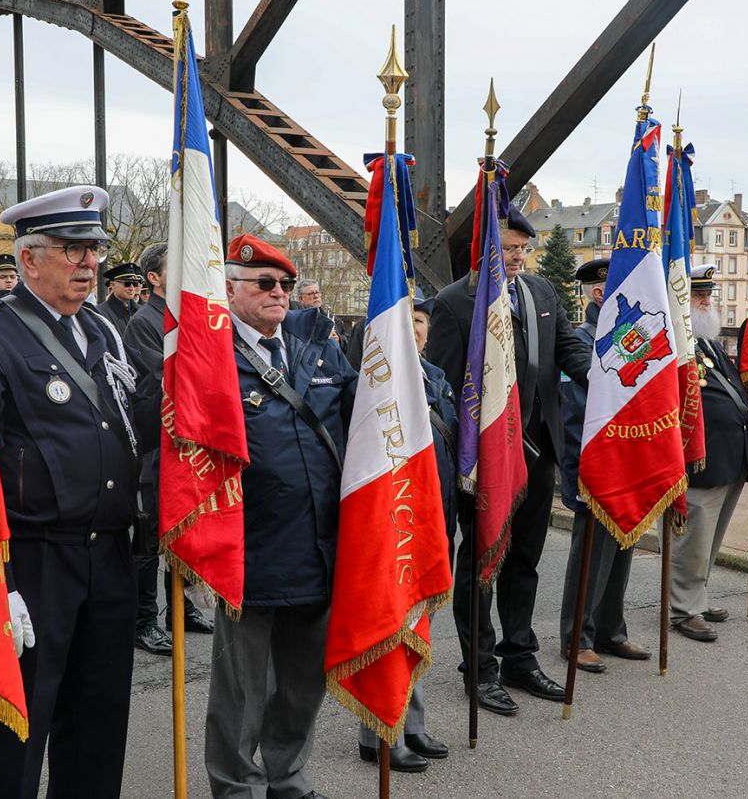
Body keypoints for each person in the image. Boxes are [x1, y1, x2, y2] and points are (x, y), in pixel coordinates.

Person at [0, 185, 147, 799]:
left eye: (95, 250)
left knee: (100, 721)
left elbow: (128, 423)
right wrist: (4, 577)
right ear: (28, 259)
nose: (90, 264)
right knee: (23, 723)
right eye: (73, 250)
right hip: (38, 557)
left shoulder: (103, 330)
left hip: (107, 552)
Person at [204, 234, 354, 799]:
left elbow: (357, 414)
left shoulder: (314, 344)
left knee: (301, 684)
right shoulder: (211, 358)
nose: (279, 294)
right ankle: (236, 786)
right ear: (231, 290)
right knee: (241, 691)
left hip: (318, 545)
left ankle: (287, 778)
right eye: (265, 284)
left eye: (285, 285)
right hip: (247, 548)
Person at [425, 206, 575, 715]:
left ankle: (519, 655)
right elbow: (443, 387)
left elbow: (567, 350)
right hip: (485, 457)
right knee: (481, 561)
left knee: (525, 560)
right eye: (506, 248)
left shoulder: (540, 292)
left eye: (521, 249)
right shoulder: (454, 303)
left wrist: (619, 378)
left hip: (537, 450)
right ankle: (480, 666)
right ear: (486, 247)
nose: (515, 258)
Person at [354, 296, 455, 773]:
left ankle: (410, 723)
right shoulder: (370, 381)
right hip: (391, 523)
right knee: (388, 626)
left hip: (431, 522)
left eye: (418, 320)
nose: (411, 328)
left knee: (418, 624)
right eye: (404, 319)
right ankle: (379, 729)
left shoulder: (436, 378)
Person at [558, 258, 651, 674]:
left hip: (630, 460)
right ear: (600, 294)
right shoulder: (582, 342)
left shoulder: (634, 339)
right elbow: (576, 414)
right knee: (592, 554)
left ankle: (612, 631)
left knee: (622, 548)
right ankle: (577, 638)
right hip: (597, 461)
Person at [121, 243, 214, 658]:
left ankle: (185, 607)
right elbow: (169, 374)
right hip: (155, 444)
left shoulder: (187, 316)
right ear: (154, 279)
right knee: (152, 537)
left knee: (185, 530)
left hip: (189, 441)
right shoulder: (144, 321)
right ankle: (144, 619)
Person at [664, 265, 748, 642]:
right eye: (698, 297)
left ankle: (697, 597)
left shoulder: (709, 344)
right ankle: (684, 609)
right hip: (697, 458)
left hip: (729, 454)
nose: (706, 303)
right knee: (693, 535)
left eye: (708, 297)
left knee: (711, 536)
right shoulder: (673, 346)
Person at [98, 262, 143, 333]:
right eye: (127, 284)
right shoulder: (100, 313)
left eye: (135, 284)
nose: (132, 288)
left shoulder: (141, 311)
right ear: (112, 285)